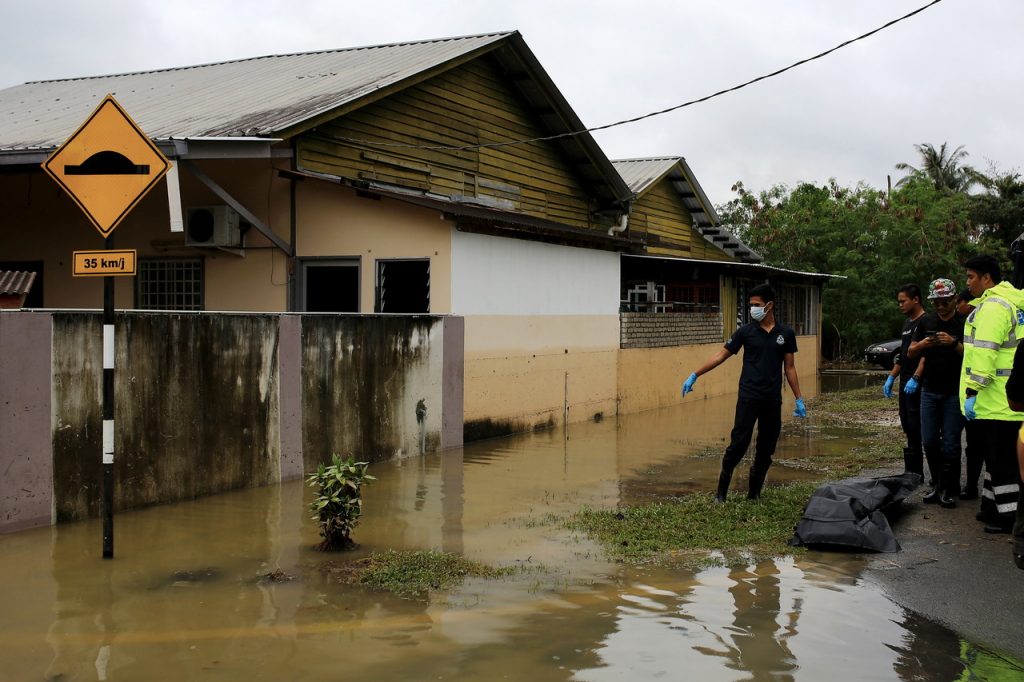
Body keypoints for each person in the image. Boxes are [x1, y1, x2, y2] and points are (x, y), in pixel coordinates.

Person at [681, 283, 806, 502]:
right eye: (750, 305)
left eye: (756, 305)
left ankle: (754, 494)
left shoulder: (785, 333)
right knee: (738, 444)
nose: (752, 309)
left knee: (766, 448)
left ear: (769, 305)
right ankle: (721, 494)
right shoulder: (745, 332)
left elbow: (790, 368)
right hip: (748, 397)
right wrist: (695, 374)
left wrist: (799, 399)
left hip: (772, 399)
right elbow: (720, 356)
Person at [960, 254, 1024, 534]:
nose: (968, 283)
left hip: (996, 399)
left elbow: (986, 351)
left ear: (987, 278)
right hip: (1000, 398)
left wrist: (973, 389)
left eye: (971, 277)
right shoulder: (1004, 302)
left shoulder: (994, 306)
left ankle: (1007, 516)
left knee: (1003, 462)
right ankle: (990, 506)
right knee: (994, 458)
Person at [906, 278, 964, 507]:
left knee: (950, 442)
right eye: (937, 303)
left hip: (954, 391)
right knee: (929, 440)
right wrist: (924, 344)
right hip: (929, 389)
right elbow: (911, 352)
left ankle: (950, 488)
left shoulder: (964, 321)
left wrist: (952, 343)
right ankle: (937, 484)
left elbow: (974, 354)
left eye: (946, 302)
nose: (941, 307)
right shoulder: (926, 321)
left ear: (955, 299)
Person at [884, 284, 925, 477]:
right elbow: (902, 356)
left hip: (918, 383)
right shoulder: (908, 324)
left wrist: (916, 377)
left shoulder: (925, 322)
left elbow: (927, 355)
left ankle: (919, 472)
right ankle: (913, 472)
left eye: (903, 301)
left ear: (915, 299)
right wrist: (891, 377)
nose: (900, 305)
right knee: (908, 426)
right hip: (905, 381)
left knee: (918, 427)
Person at [956, 287, 983, 499]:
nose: (957, 307)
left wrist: (973, 392)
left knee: (987, 448)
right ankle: (971, 486)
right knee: (972, 446)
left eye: (959, 303)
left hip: (984, 395)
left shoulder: (983, 317)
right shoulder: (968, 321)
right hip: (969, 394)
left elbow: (982, 357)